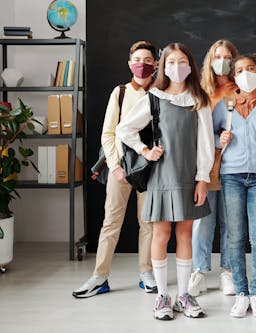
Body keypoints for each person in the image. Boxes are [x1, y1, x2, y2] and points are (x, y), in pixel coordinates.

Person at [116, 43, 214, 320]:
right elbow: (124, 129)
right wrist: (145, 151)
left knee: (184, 234)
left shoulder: (199, 99)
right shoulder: (153, 98)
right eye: (171, 62)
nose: (177, 67)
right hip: (162, 175)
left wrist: (203, 179)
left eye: (182, 61)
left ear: (190, 65)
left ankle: (184, 294)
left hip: (188, 175)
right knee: (162, 234)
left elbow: (206, 144)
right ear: (162, 66)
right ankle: (162, 296)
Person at [72, 41, 157, 299]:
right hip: (121, 168)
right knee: (111, 223)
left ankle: (146, 273)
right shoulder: (119, 92)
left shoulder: (161, 92)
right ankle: (100, 276)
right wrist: (115, 166)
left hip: (151, 168)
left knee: (149, 224)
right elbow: (108, 134)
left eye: (147, 59)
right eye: (137, 59)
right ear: (130, 63)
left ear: (155, 63)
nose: (142, 64)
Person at [212, 54, 256, 318]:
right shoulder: (224, 106)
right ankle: (241, 293)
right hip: (231, 177)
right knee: (235, 236)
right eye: (240, 70)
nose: (246, 73)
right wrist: (221, 140)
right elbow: (209, 138)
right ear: (234, 76)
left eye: (251, 68)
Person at [188, 39, 239, 297]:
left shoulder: (239, 88)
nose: (223, 61)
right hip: (206, 165)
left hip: (232, 164)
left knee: (230, 221)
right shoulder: (200, 91)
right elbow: (194, 129)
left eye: (228, 57)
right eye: (218, 56)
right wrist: (216, 138)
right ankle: (199, 271)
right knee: (202, 221)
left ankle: (227, 271)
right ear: (210, 58)